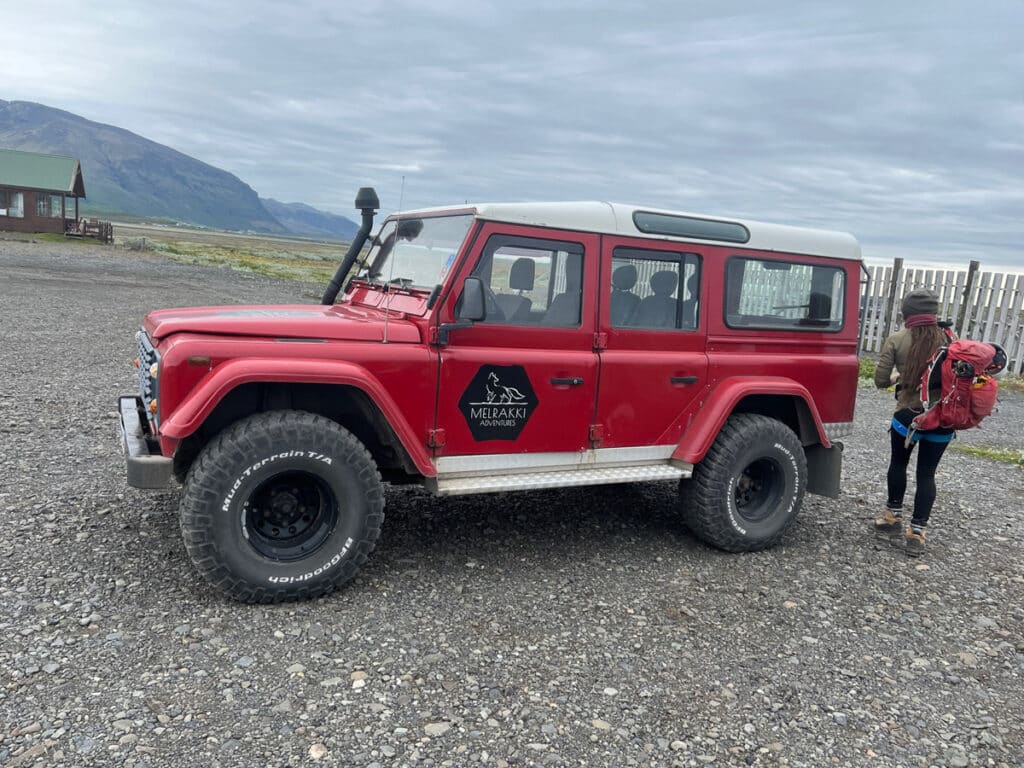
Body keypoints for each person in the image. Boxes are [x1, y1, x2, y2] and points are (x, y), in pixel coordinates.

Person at [872, 288, 953, 556]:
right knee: (927, 474)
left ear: (906, 313)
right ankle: (917, 533)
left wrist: (899, 377)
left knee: (898, 463)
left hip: (908, 415)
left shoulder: (897, 339)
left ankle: (892, 517)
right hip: (942, 418)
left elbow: (880, 380)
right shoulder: (950, 340)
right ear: (933, 313)